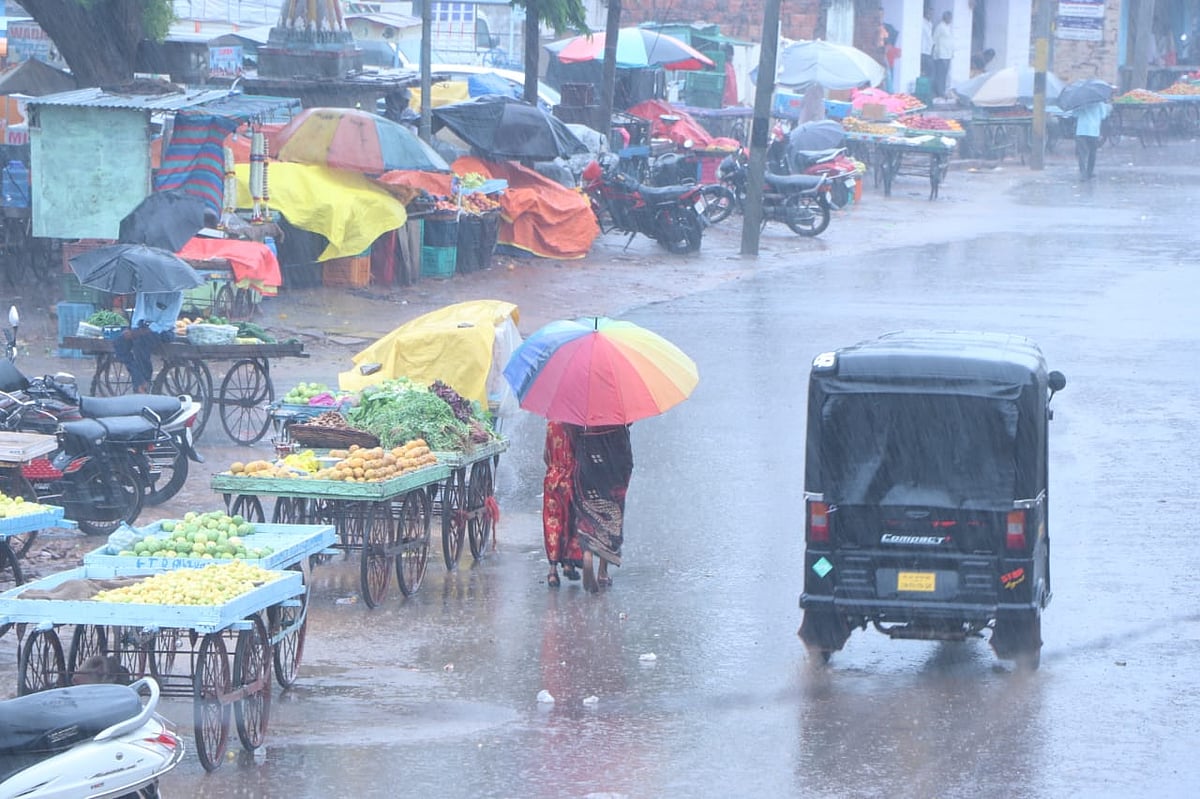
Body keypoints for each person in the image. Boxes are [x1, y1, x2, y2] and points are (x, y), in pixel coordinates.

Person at [572, 424, 633, 593]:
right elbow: (628, 422)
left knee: (587, 511)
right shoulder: (618, 413)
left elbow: (572, 434)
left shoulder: (582, 414)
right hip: (615, 462)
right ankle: (602, 571)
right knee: (610, 512)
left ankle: (587, 555)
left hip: (588, 458)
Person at [114, 290, 183, 393]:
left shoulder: (175, 292)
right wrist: (132, 330)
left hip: (163, 331)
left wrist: (137, 333)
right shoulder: (144, 287)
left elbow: (165, 323)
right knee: (119, 342)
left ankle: (145, 381)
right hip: (142, 327)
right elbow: (139, 315)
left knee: (141, 342)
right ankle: (139, 378)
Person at [543, 420, 583, 587]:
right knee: (571, 521)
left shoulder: (551, 424)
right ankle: (568, 562)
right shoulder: (577, 425)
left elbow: (546, 456)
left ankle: (552, 571)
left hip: (552, 479)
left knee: (552, 522)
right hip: (571, 478)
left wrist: (555, 466)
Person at [1072, 100, 1111, 180]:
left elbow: (1074, 114)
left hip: (1081, 130)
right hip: (1093, 131)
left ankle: (1083, 173)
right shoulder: (1099, 103)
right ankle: (1089, 172)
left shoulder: (1080, 101)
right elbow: (1103, 116)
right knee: (1092, 152)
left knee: (1082, 153)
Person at [932, 11, 954, 98]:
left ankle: (943, 91)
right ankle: (939, 92)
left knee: (945, 74)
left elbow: (950, 41)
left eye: (951, 18)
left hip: (948, 54)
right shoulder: (940, 27)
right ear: (945, 18)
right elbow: (934, 40)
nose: (950, 19)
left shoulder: (948, 27)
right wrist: (936, 53)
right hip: (941, 54)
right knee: (940, 74)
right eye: (949, 17)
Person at [920, 8, 934, 79]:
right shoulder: (921, 22)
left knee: (929, 70)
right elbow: (927, 36)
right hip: (922, 50)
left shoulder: (930, 23)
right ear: (925, 13)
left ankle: (926, 83)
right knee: (923, 70)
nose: (930, 15)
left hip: (928, 50)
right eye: (929, 13)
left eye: (932, 14)